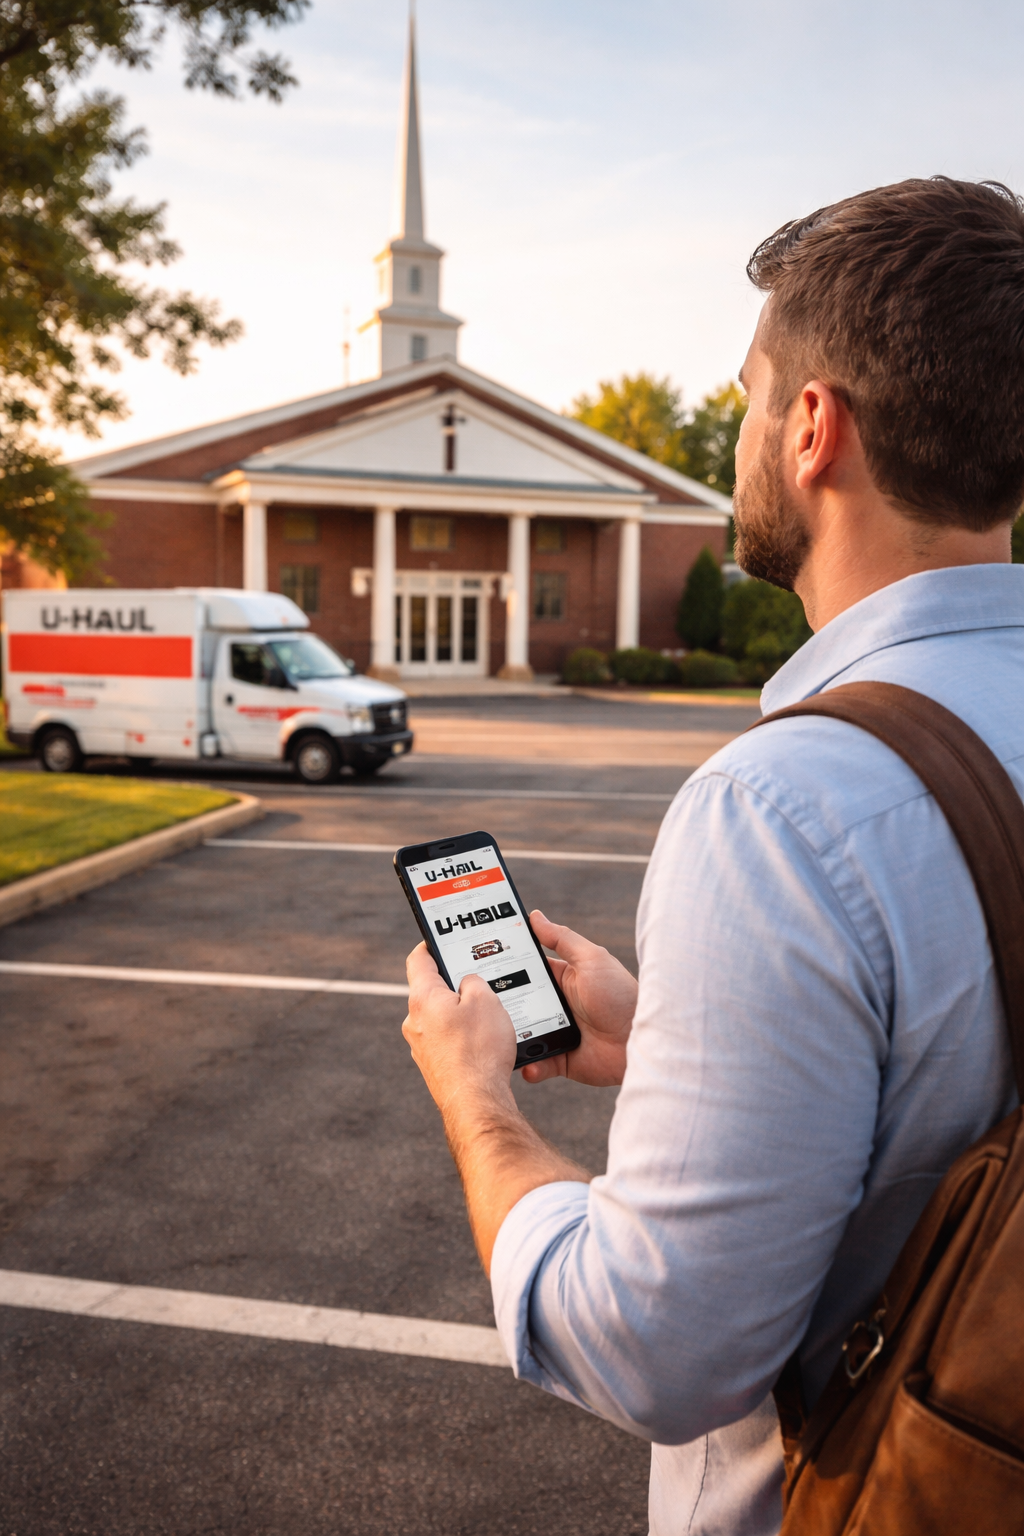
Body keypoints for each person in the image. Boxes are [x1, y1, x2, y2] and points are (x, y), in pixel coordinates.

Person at [402, 177, 1024, 1535]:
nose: (739, 435)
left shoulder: (786, 809)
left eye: (748, 400)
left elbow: (655, 1347)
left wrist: (479, 1107)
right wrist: (667, 1036)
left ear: (813, 428)